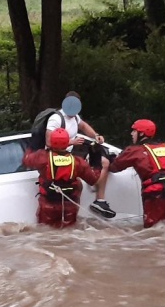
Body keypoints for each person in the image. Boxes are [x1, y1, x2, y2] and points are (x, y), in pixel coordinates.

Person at [107, 118, 165, 229]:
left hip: (156, 192)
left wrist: (107, 159)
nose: (131, 134)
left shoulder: (134, 150)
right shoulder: (164, 147)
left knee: (153, 231)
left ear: (142, 133)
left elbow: (114, 167)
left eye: (134, 131)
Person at [43, 91, 116, 219]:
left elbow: (83, 126)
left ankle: (100, 201)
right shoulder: (56, 118)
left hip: (69, 154)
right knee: (78, 185)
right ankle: (74, 214)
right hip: (57, 156)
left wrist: (96, 136)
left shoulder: (75, 117)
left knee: (104, 162)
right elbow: (49, 142)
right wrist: (71, 141)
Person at [21, 128, 102, 229]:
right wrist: (96, 159)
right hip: (69, 206)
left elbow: (26, 160)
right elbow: (93, 180)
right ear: (68, 142)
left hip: (48, 205)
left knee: (44, 232)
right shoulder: (78, 162)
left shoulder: (41, 157)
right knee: (69, 233)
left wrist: (33, 145)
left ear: (51, 141)